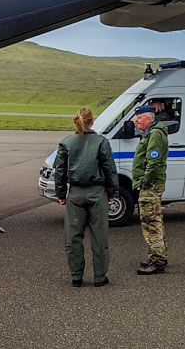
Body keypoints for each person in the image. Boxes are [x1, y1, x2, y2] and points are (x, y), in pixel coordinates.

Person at [54, 107, 118, 288]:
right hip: (97, 192)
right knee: (99, 237)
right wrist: (113, 192)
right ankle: (99, 276)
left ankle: (76, 276)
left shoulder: (67, 143)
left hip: (75, 192)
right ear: (92, 121)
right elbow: (109, 169)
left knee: (73, 237)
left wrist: (60, 194)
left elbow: (59, 171)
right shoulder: (101, 142)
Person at [132, 104, 169, 275]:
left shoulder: (154, 134)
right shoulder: (153, 133)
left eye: (139, 118)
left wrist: (144, 182)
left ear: (148, 119)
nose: (136, 121)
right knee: (154, 219)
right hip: (153, 183)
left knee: (150, 222)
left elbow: (153, 162)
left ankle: (157, 261)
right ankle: (156, 254)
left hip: (151, 185)